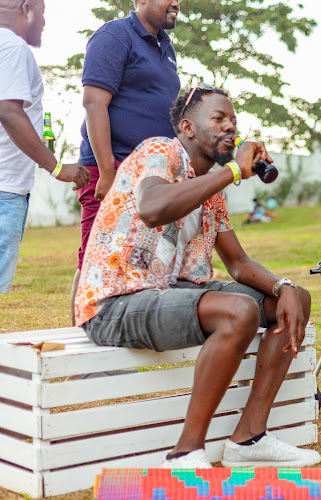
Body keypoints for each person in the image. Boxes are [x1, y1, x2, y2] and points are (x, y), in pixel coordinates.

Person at [74, 85, 320, 469]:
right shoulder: (159, 151)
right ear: (187, 127)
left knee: (294, 299)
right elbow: (153, 207)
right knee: (238, 311)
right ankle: (186, 452)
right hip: (115, 302)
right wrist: (233, 171)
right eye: (219, 119)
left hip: (172, 292)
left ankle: (248, 438)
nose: (230, 128)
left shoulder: (211, 185)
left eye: (233, 121)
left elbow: (237, 262)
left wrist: (282, 286)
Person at [72, 0, 181, 319]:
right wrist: (107, 172)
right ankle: (83, 363)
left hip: (150, 175)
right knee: (94, 262)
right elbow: (94, 103)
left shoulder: (166, 47)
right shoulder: (114, 36)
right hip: (111, 167)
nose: (176, 2)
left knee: (135, 265)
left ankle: (116, 352)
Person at [0, 0, 90, 294]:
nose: (45, 22)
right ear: (26, 8)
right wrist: (56, 166)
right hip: (4, 189)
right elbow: (10, 111)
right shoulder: (12, 47)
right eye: (43, 12)